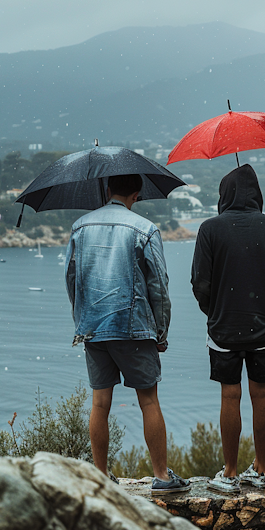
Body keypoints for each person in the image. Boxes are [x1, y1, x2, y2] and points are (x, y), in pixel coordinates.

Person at [65, 173, 190, 493]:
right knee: (148, 401)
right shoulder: (145, 229)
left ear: (107, 189)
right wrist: (160, 332)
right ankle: (161, 476)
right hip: (133, 327)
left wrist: (83, 318)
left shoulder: (80, 227)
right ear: (137, 193)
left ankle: (101, 475)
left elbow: (71, 279)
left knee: (100, 403)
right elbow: (158, 284)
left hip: (93, 328)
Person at [191, 164, 265, 493]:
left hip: (224, 326)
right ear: (257, 195)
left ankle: (231, 473)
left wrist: (215, 309)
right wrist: (263, 301)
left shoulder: (209, 229)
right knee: (261, 392)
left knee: (229, 394)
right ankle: (261, 470)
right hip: (264, 325)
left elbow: (200, 282)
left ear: (224, 195)